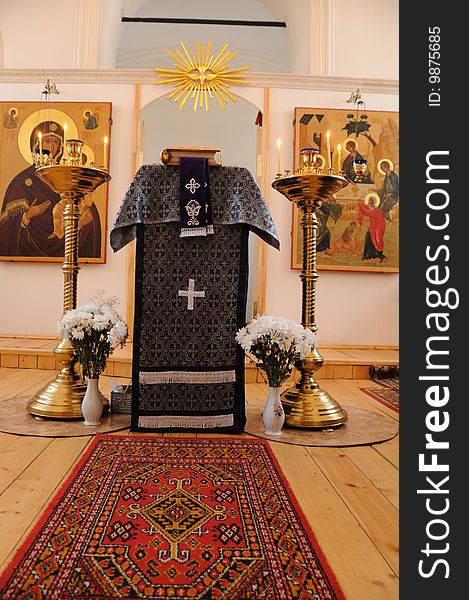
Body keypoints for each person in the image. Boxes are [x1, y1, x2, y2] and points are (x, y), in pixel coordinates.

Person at [0, 121, 101, 259]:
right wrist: (28, 216)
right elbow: (6, 228)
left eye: (56, 142)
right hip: (28, 248)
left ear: (61, 146)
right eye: (47, 141)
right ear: (37, 144)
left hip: (67, 244)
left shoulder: (67, 177)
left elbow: (84, 206)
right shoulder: (22, 182)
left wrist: (87, 212)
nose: (52, 146)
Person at [358, 195, 386, 263]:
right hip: (372, 227)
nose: (369, 202)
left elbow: (366, 212)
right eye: (369, 201)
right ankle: (367, 255)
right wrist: (361, 203)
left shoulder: (376, 210)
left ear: (374, 202)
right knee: (368, 238)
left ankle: (379, 255)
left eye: (371, 201)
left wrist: (360, 205)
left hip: (378, 228)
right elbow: (366, 207)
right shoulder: (371, 208)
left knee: (377, 240)